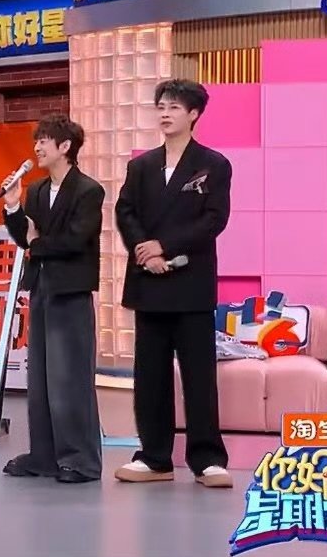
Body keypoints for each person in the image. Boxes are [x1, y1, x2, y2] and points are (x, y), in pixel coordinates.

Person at [114, 78, 233, 489]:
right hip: (149, 282)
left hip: (191, 284)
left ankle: (208, 459)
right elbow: (125, 212)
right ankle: (154, 457)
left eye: (174, 108)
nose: (165, 114)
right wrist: (145, 252)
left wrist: (164, 245)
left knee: (199, 376)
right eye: (161, 107)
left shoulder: (213, 164)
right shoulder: (141, 166)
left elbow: (214, 219)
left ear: (194, 114)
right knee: (150, 376)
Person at [0, 114, 104, 484]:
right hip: (42, 287)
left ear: (65, 146)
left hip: (71, 291)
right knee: (41, 378)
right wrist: (13, 207)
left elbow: (75, 240)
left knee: (70, 378)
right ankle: (44, 456)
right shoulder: (38, 191)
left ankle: (81, 460)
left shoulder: (88, 191)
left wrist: (37, 243)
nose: (37, 147)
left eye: (44, 141)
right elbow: (24, 237)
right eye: (37, 140)